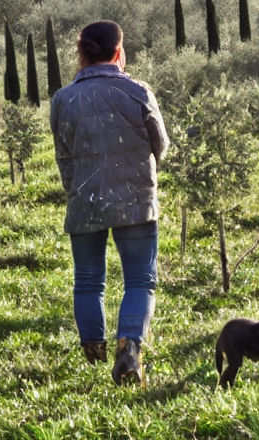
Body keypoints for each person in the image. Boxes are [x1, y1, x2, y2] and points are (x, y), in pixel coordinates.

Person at [50, 21, 169, 385]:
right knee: (140, 279)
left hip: (84, 200)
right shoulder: (137, 92)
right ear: (119, 52)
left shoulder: (63, 99)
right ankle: (129, 348)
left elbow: (63, 154)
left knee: (88, 281)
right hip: (135, 200)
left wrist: (75, 189)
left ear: (82, 54)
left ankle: (93, 352)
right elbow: (160, 144)